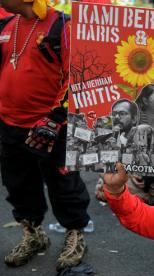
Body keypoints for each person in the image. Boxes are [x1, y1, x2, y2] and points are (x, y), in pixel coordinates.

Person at [0, 0, 90, 271]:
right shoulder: (6, 25)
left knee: (63, 183)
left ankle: (75, 234)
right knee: (18, 184)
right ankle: (33, 235)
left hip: (51, 126)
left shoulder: (62, 25)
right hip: (9, 122)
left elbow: (77, 75)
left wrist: (56, 117)